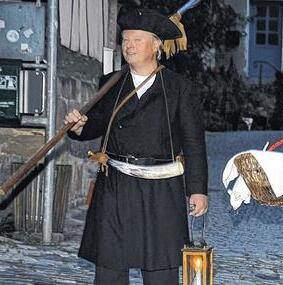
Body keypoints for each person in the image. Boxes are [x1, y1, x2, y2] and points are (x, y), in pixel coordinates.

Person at [64, 8, 208, 285]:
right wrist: (80, 126)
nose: (128, 46)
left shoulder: (179, 88)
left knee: (161, 268)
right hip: (116, 186)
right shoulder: (111, 83)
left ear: (156, 45)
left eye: (137, 40)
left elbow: (193, 142)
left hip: (161, 188)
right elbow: (96, 126)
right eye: (125, 39)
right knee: (110, 266)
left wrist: (198, 190)